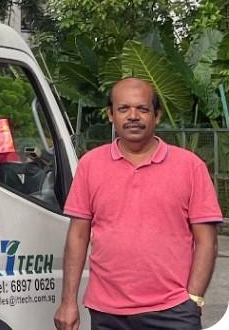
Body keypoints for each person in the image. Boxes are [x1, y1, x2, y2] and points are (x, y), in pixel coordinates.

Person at [54, 77, 221, 330]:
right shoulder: (90, 165)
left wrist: (193, 299)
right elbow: (78, 235)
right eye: (123, 109)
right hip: (107, 313)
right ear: (111, 115)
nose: (133, 116)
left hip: (173, 312)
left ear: (157, 115)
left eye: (142, 109)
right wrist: (68, 302)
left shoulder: (190, 167)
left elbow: (207, 240)